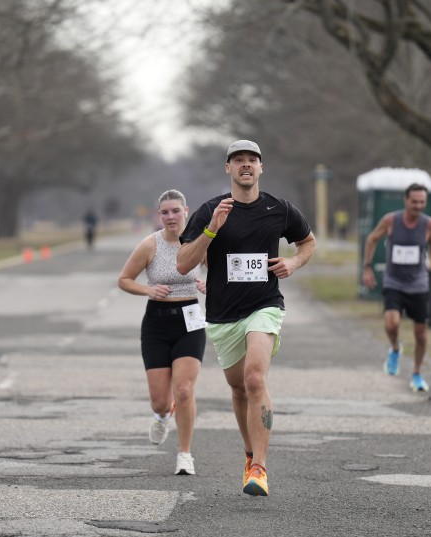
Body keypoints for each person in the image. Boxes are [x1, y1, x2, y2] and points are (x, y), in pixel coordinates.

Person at [176, 140, 315, 497]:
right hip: (223, 314)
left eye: (252, 159)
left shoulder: (279, 209)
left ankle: (260, 468)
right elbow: (183, 264)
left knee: (255, 379)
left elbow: (308, 242)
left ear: (261, 167)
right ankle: (250, 453)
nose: (246, 165)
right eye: (238, 160)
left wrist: (294, 262)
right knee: (238, 388)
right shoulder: (211, 210)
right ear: (229, 168)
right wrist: (212, 229)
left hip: (264, 305)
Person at [118, 190, 207, 475]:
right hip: (156, 324)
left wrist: (210, 285)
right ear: (159, 216)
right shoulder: (150, 245)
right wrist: (148, 289)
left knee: (184, 390)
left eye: (176, 211)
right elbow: (124, 279)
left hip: (190, 321)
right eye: (165, 212)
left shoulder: (199, 242)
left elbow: (220, 275)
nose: (171, 217)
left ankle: (185, 454)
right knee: (160, 401)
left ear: (186, 212)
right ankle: (161, 415)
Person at [362, 183, 431, 392]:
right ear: (406, 200)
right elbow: (372, 239)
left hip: (418, 284)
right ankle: (395, 348)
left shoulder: (429, 225)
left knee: (421, 334)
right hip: (394, 282)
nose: (418, 206)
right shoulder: (391, 220)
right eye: (414, 202)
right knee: (392, 324)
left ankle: (417, 374)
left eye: (422, 202)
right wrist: (367, 267)